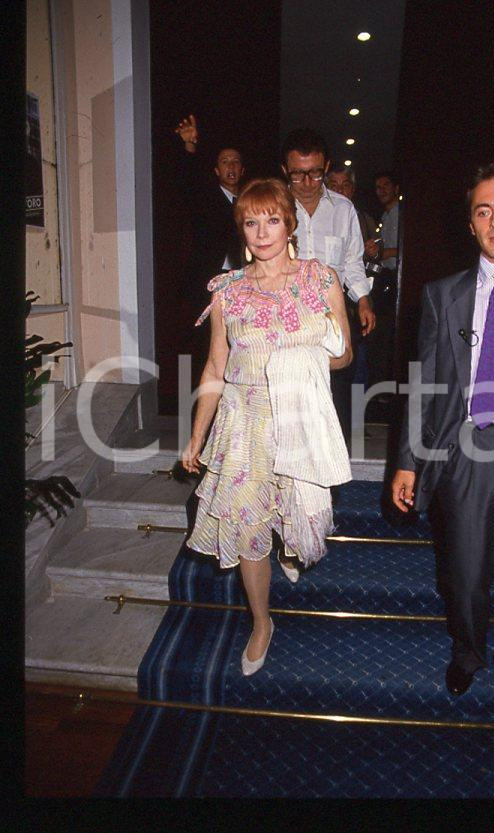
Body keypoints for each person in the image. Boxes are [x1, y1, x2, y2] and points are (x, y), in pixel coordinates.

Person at [391, 162, 494, 725]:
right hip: (465, 452)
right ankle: (467, 653)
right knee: (464, 582)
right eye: (483, 210)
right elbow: (425, 383)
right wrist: (408, 461)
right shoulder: (444, 296)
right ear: (470, 223)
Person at [182, 177, 352, 676]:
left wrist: (308, 350)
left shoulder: (321, 280)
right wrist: (196, 438)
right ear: (241, 230)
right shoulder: (228, 292)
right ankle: (262, 622)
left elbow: (343, 358)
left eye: (272, 220)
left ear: (290, 223)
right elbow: (215, 369)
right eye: (251, 222)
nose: (262, 232)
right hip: (244, 425)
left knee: (301, 527)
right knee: (249, 529)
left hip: (300, 419)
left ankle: (293, 546)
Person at [280, 129, 375, 450]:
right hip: (285, 321)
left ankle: (331, 479)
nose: (307, 182)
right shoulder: (274, 207)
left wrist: (362, 299)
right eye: (298, 174)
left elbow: (352, 262)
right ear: (285, 170)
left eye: (315, 173)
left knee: (333, 401)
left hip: (330, 320)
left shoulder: (343, 210)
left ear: (327, 166)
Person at [174, 114, 245, 387]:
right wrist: (190, 146)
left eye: (236, 161)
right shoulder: (206, 198)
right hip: (209, 286)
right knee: (208, 352)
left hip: (243, 284)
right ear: (216, 170)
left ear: (242, 169)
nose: (231, 166)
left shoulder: (250, 203)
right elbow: (188, 181)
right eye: (225, 161)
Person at [326, 164, 377, 387]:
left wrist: (363, 300)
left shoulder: (362, 218)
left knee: (352, 367)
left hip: (350, 302)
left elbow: (355, 261)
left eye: (344, 185)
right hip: (318, 306)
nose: (339, 191)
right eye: (333, 185)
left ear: (353, 189)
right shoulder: (315, 216)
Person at [366, 171, 401, 391]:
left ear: (396, 188)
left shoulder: (400, 213)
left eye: (386, 185)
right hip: (385, 280)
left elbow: (401, 249)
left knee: (387, 336)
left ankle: (386, 388)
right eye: (378, 187)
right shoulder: (386, 216)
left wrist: (381, 252)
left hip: (397, 280)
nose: (382, 190)